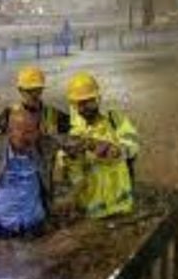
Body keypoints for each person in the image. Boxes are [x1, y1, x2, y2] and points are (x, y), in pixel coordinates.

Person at [0, 106, 76, 238]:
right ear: (10, 131)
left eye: (33, 132)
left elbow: (67, 141)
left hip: (36, 228)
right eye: (24, 133)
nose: (30, 137)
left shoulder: (41, 145)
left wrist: (96, 145)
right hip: (1, 229)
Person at [57, 71, 140, 218]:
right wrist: (69, 159)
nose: (84, 107)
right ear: (74, 105)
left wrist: (116, 150)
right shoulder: (74, 134)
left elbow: (133, 145)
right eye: (79, 104)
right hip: (93, 213)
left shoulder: (115, 119)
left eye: (88, 101)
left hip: (123, 207)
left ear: (97, 99)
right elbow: (74, 176)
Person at [0, 65, 70, 136]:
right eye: (29, 91)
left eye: (37, 90)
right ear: (20, 90)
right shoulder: (9, 115)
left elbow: (75, 128)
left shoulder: (52, 114)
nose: (34, 95)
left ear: (42, 90)